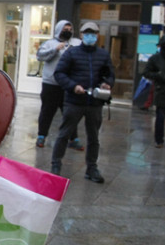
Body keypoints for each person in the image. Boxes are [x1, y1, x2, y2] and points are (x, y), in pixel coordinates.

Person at [50, 21, 115, 183]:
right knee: (64, 133)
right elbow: (59, 73)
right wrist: (73, 86)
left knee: (94, 137)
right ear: (81, 35)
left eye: (93, 33)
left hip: (95, 102)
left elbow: (110, 74)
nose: (90, 35)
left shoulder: (103, 54)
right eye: (87, 32)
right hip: (74, 101)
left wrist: (107, 83)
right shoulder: (72, 53)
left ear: (97, 35)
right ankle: (56, 164)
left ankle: (91, 168)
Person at [35, 20, 84, 151]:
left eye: (70, 29)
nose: (68, 31)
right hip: (51, 84)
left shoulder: (76, 44)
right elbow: (39, 56)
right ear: (59, 29)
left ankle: (74, 139)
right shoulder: (50, 43)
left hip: (68, 85)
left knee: (70, 113)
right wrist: (55, 49)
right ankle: (41, 136)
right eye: (65, 29)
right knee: (47, 111)